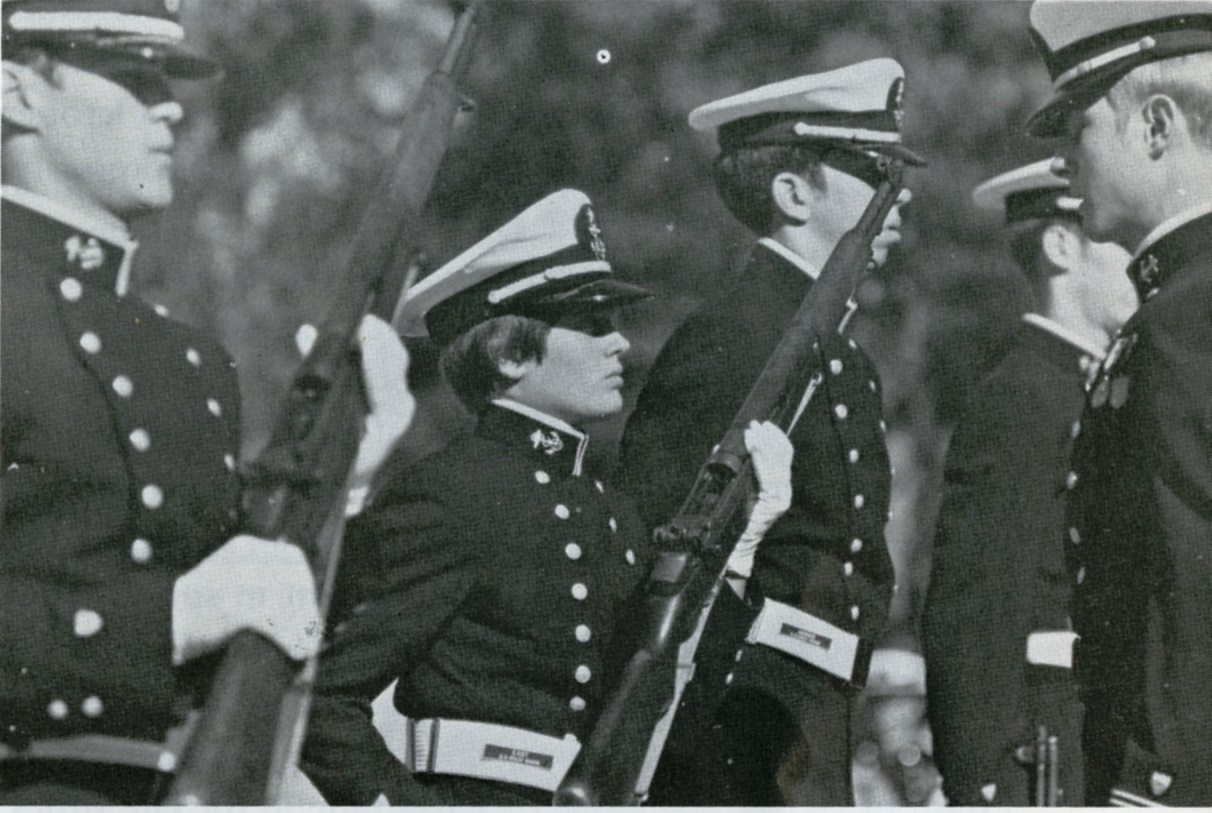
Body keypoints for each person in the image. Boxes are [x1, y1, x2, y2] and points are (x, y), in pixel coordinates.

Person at [0, 1, 412, 803]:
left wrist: (344, 478)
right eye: (129, 74)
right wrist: (168, 619)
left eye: (168, 78)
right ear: (15, 92)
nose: (169, 105)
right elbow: (186, 607)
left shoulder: (189, 359)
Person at [300, 188, 795, 805]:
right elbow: (323, 695)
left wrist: (740, 549)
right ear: (510, 355)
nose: (619, 343)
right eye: (592, 324)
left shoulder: (613, 511)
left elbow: (666, 700)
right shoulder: (452, 494)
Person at [616, 59, 922, 806]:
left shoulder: (842, 354)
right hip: (726, 731)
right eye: (870, 171)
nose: (900, 196)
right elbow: (651, 553)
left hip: (808, 728)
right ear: (791, 192)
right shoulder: (728, 341)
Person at [1025, 0, 1212, 805]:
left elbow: (1188, 584)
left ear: (1157, 126)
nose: (1063, 160)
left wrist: (1158, 783)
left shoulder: (1188, 318)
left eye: (1078, 126)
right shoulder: (1172, 310)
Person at [922, 160, 1136, 806]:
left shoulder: (1091, 390)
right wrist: (979, 781)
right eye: (1122, 246)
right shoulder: (1022, 396)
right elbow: (974, 610)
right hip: (1038, 756)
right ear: (1061, 246)